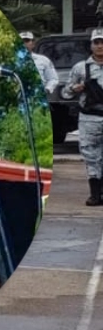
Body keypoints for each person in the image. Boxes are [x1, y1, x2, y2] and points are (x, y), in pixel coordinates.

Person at [64, 28, 103, 206]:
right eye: (96, 42)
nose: (100, 46)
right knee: (91, 157)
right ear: (91, 45)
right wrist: (74, 88)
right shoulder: (80, 68)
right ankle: (95, 194)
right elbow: (65, 93)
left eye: (102, 42)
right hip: (89, 119)